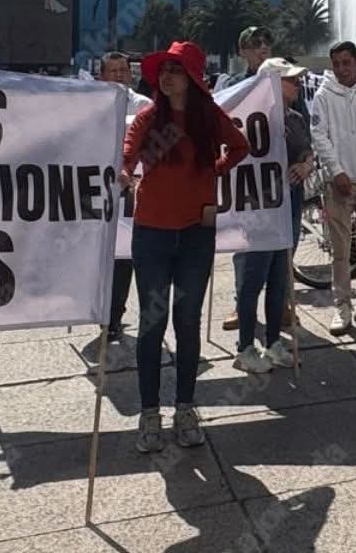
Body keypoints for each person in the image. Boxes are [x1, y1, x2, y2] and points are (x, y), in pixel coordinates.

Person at [121, 40, 250, 452]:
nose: (167, 76)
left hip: (197, 232)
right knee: (151, 326)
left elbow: (241, 146)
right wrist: (126, 172)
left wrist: (217, 168)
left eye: (176, 69)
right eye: (164, 70)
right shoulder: (148, 118)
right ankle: (149, 414)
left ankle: (185, 409)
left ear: (192, 78)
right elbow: (127, 153)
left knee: (188, 322)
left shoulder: (209, 118)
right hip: (152, 234)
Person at [232, 58, 314, 373]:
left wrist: (306, 164)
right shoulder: (249, 120)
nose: (296, 84)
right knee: (253, 279)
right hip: (258, 208)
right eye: (290, 79)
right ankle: (244, 347)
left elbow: (307, 153)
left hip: (289, 203)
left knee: (280, 275)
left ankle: (273, 342)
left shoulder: (295, 118)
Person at [310, 40, 356, 335]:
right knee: (340, 251)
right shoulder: (323, 96)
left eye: (346, 63)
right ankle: (343, 307)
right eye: (336, 64)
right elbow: (319, 135)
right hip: (338, 184)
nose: (341, 69)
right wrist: (337, 171)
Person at [87, 50, 147, 373]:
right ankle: (102, 312)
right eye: (114, 71)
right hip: (99, 190)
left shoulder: (142, 104)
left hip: (133, 193)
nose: (121, 76)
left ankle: (116, 317)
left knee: (125, 255)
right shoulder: (89, 104)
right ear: (101, 76)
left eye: (125, 70)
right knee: (102, 256)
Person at [218, 26, 274, 332]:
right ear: (243, 51)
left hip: (275, 179)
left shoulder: (282, 80)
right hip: (244, 178)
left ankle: (282, 303)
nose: (262, 48)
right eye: (254, 44)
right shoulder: (233, 86)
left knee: (281, 244)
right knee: (245, 245)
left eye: (266, 43)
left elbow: (300, 124)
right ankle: (243, 305)